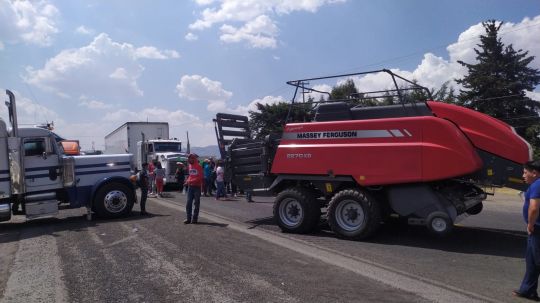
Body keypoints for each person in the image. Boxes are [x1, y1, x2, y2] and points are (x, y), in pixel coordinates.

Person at [514, 160, 540, 301]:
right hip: (535, 229)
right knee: (531, 261)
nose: (523, 175)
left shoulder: (537, 185)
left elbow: (534, 208)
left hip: (537, 229)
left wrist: (531, 224)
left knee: (537, 260)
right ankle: (527, 290)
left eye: (525, 172)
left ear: (534, 173)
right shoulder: (535, 184)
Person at [184, 153, 203, 224]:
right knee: (188, 203)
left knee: (196, 203)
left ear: (194, 158)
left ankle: (195, 219)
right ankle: (188, 218)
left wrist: (189, 181)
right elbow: (191, 176)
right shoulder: (190, 166)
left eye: (190, 158)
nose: (189, 159)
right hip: (190, 187)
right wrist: (187, 181)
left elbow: (200, 178)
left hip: (197, 187)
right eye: (189, 158)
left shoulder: (199, 166)